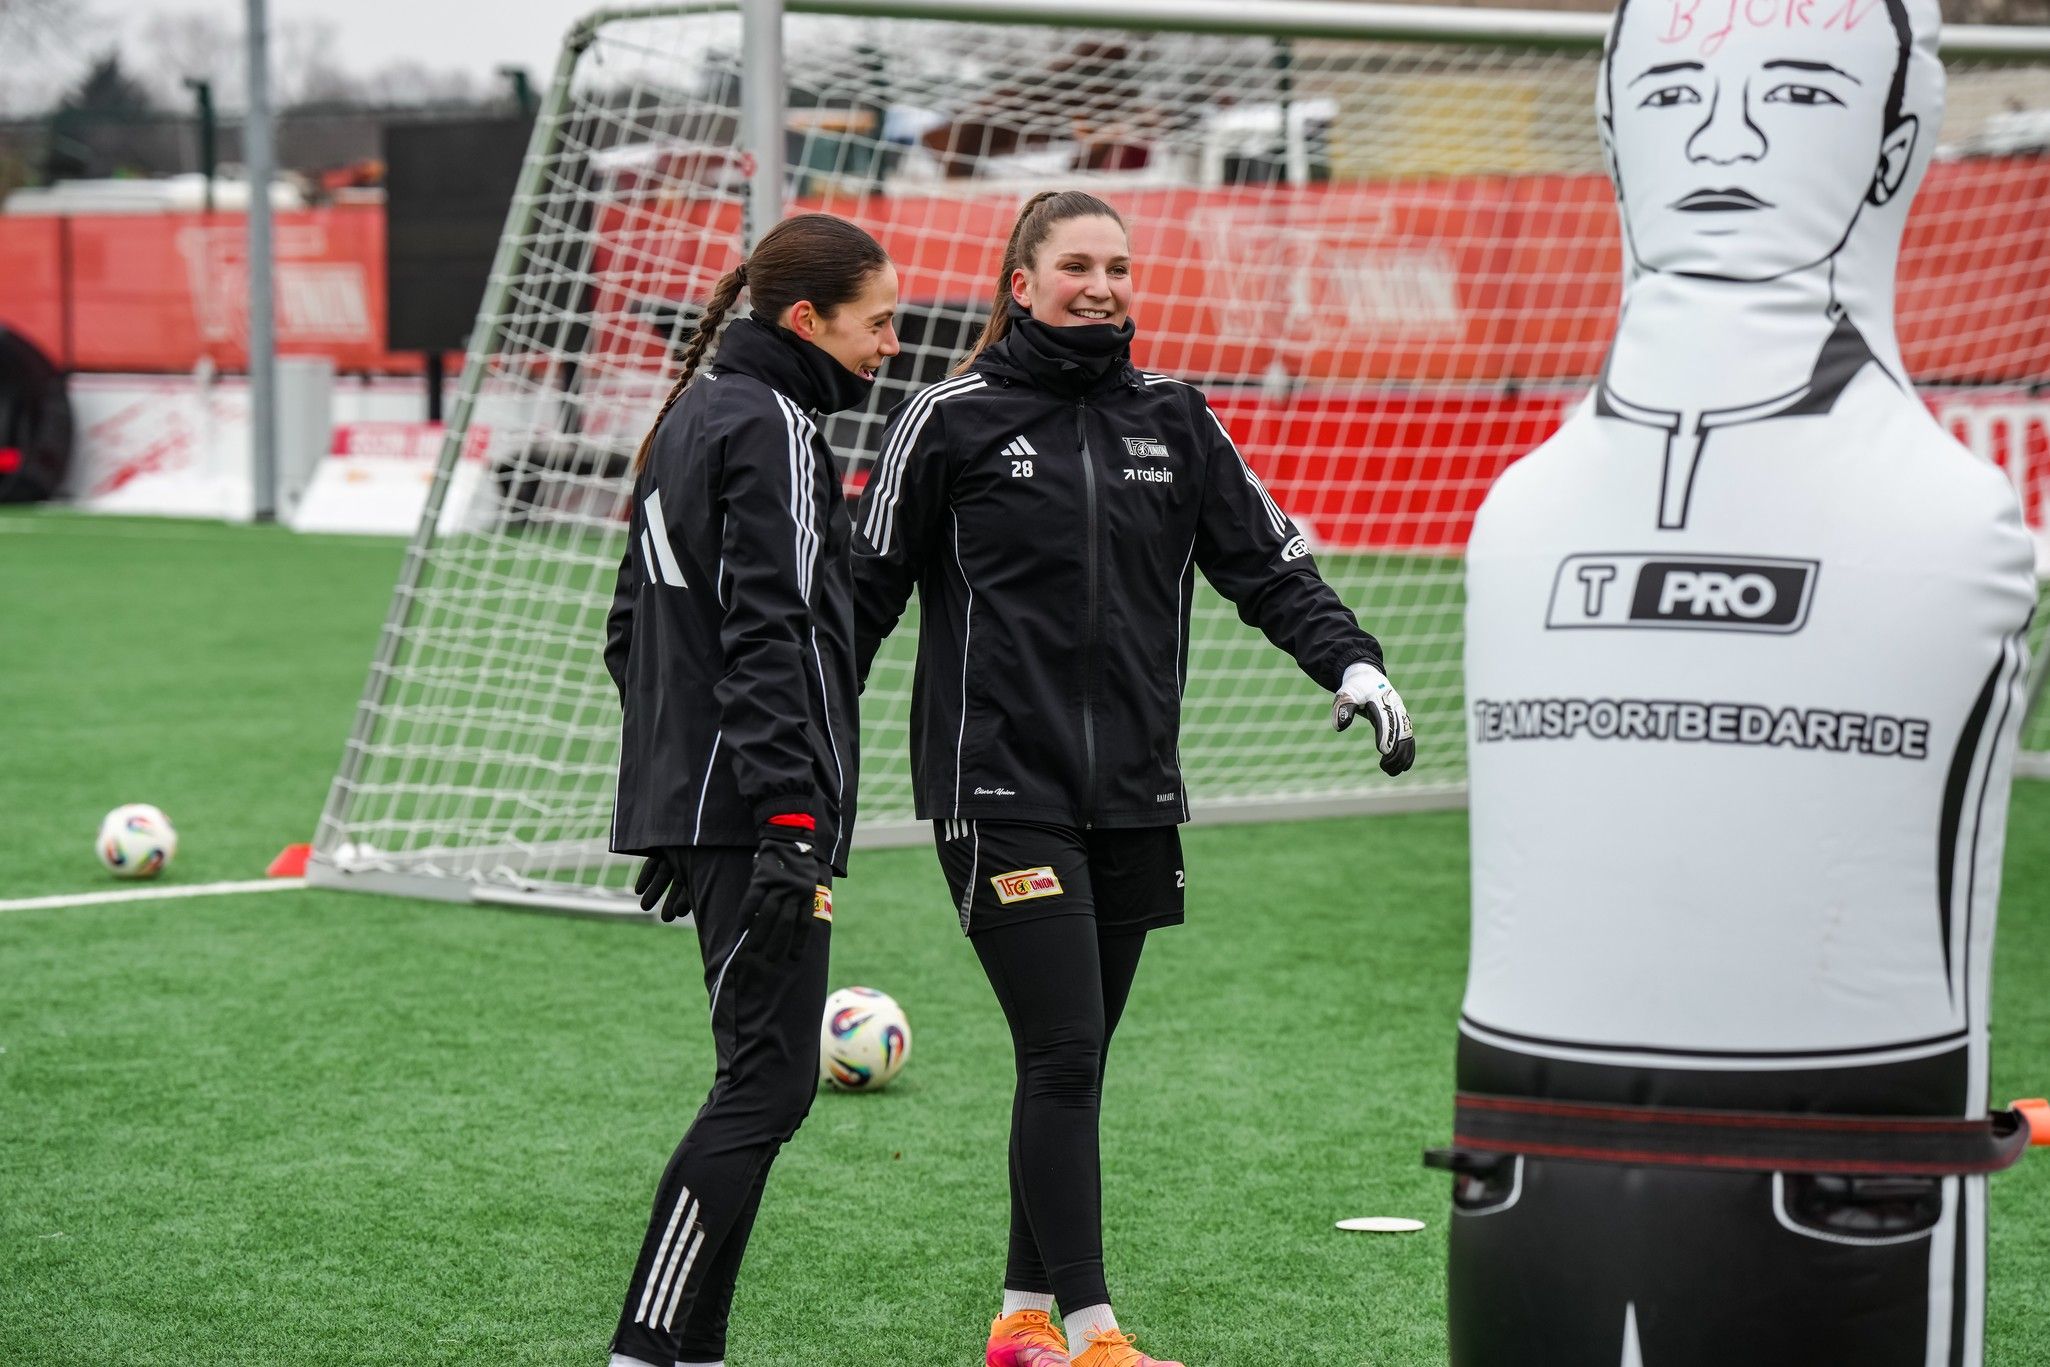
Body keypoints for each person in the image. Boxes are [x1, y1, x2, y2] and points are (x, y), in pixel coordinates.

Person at [1445, 0, 2037, 1361]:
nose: (1725, 137)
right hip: (1535, 1156)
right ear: (1611, 133)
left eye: (1801, 93)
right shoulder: (1525, 511)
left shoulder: (1936, 513)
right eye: (1672, 97)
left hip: (1832, 1163)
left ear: (1893, 145)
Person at [852, 189, 1416, 1367]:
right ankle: (1096, 1333)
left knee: (1072, 1060)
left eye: (1117, 265)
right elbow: (858, 598)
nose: (1100, 285)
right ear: (1021, 283)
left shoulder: (1176, 417)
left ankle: (1021, 1318)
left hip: (1133, 792)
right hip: (997, 787)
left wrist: (1352, 660)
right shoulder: (946, 419)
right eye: (1075, 265)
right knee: (1063, 1050)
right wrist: (799, 751)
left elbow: (1269, 565)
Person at [601, 212, 899, 1367]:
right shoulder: (771, 424)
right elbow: (772, 636)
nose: (890, 345)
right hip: (759, 806)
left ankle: (695, 1348)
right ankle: (645, 1345)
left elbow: (631, 633)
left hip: (713, 801)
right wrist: (785, 818)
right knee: (765, 1086)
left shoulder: (692, 414)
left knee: (763, 1080)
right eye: (877, 322)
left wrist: (675, 806)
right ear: (807, 320)